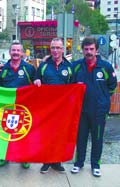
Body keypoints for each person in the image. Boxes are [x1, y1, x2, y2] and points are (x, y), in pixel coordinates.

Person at [70, 37, 117, 177]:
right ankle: (79, 163)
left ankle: (95, 165)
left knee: (97, 138)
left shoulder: (106, 67)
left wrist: (102, 99)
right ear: (82, 50)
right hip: (81, 110)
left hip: (98, 111)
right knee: (81, 138)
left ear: (96, 50)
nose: (89, 52)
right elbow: (69, 85)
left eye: (91, 49)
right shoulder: (76, 66)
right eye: (86, 49)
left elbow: (113, 85)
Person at [34, 37, 73, 174]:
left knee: (59, 136)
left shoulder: (69, 67)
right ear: (50, 49)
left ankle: (57, 162)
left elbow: (73, 87)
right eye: (53, 48)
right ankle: (46, 162)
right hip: (46, 109)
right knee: (46, 135)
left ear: (63, 49)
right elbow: (36, 78)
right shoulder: (43, 66)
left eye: (58, 48)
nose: (55, 50)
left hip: (63, 110)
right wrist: (37, 79)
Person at [0, 41, 36, 169]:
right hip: (7, 107)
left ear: (22, 53)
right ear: (9, 52)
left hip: (23, 107)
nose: (15, 53)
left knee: (23, 133)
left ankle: (24, 157)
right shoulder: (4, 69)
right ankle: (4, 156)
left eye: (18, 50)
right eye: (13, 50)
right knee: (6, 132)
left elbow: (35, 86)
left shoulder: (29, 68)